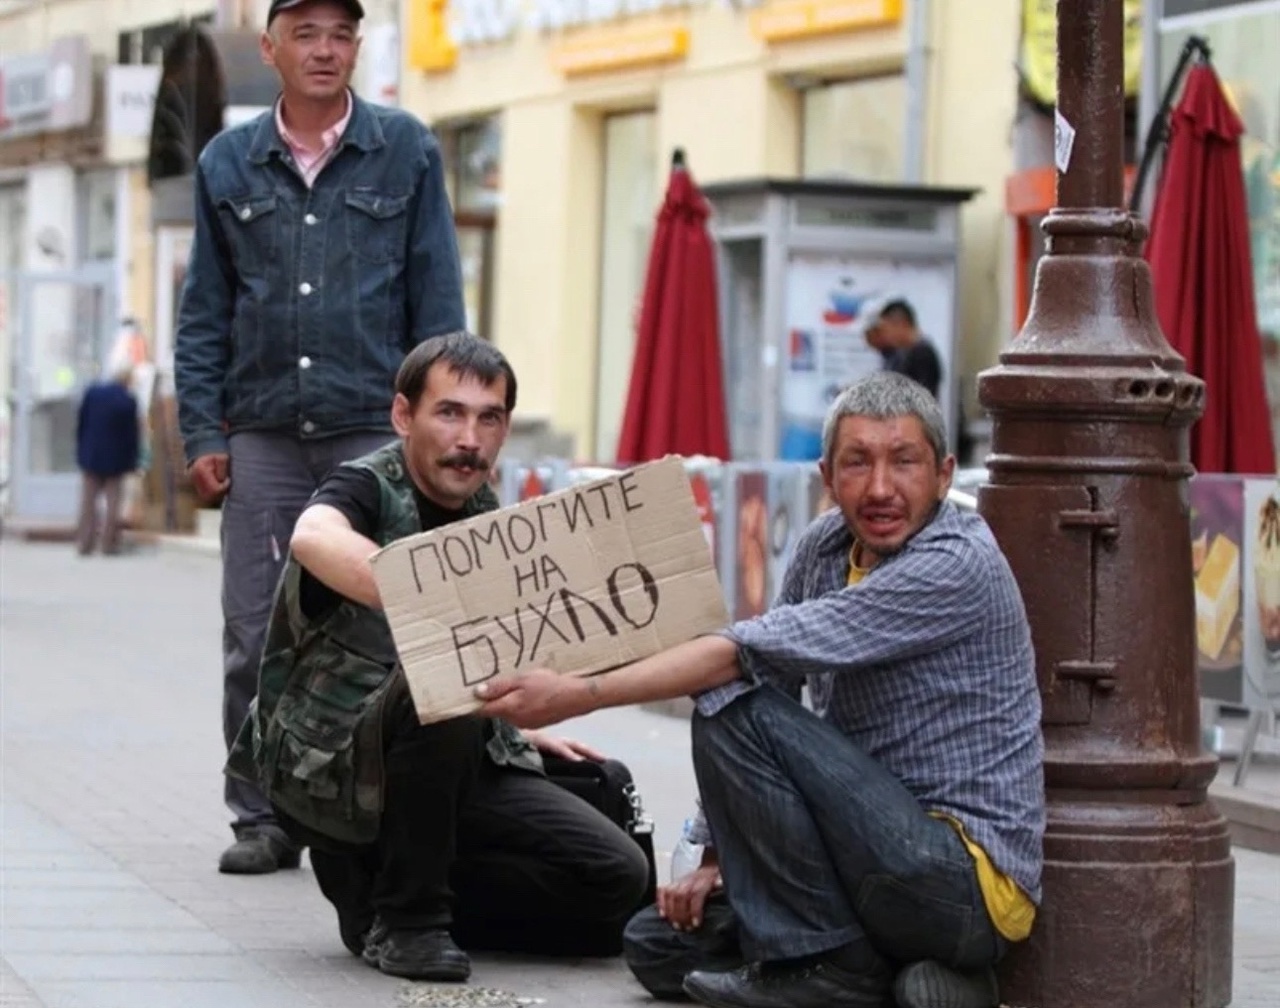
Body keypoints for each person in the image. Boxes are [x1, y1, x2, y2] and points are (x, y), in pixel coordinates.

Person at [476, 372, 1045, 1008]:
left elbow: (744, 659)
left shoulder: (956, 561)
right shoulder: (825, 547)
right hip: (857, 861)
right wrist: (722, 858)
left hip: (955, 883)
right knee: (658, 946)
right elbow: (775, 685)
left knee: (729, 704)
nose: (881, 488)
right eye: (858, 463)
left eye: (904, 462)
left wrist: (580, 691)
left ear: (943, 476)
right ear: (828, 478)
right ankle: (892, 977)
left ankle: (840, 966)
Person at [226, 333, 650, 982]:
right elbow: (313, 537)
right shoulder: (365, 486)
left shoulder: (483, 511)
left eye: (489, 418)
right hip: (333, 762)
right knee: (449, 677)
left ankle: (383, 892)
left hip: (445, 748)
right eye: (449, 413)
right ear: (404, 417)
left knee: (616, 882)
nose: (469, 438)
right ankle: (408, 923)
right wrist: (431, 603)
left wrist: (519, 724)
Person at [174, 0, 466, 875]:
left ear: (358, 48)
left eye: (341, 34)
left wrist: (444, 428)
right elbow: (205, 314)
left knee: (393, 619)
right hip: (261, 432)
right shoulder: (227, 163)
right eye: (306, 34)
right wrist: (200, 430)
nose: (325, 50)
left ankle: (378, 804)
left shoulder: (406, 151)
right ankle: (261, 814)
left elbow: (437, 302)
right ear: (271, 50)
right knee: (254, 626)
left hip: (373, 435)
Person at [75, 361, 141, 556]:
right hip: (116, 459)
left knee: (88, 502)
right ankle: (108, 544)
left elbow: (82, 423)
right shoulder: (128, 400)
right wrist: (132, 460)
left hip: (91, 454)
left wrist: (81, 449)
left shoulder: (92, 393)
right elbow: (132, 435)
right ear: (128, 380)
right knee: (113, 502)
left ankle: (84, 543)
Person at [862, 298, 944, 399]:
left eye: (886, 329)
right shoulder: (900, 354)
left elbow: (922, 398)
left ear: (900, 324)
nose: (886, 335)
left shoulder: (922, 353)